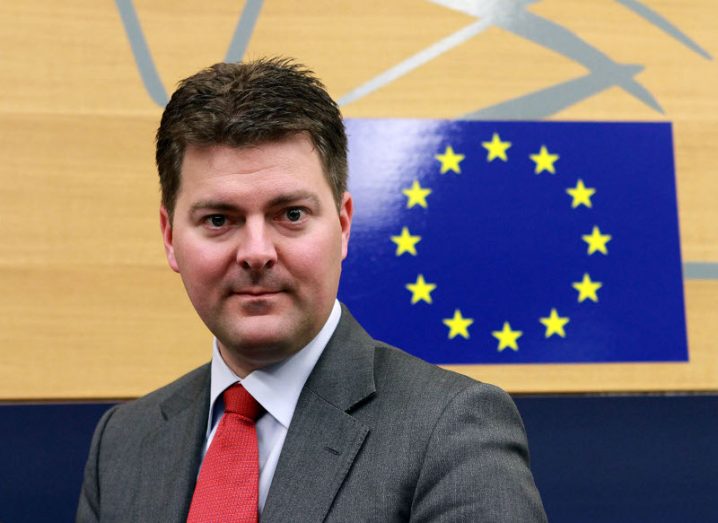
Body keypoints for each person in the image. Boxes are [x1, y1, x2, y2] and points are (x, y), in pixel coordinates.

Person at [77, 57, 547, 522]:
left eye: (291, 215)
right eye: (219, 220)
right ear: (170, 237)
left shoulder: (452, 430)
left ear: (343, 226)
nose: (256, 252)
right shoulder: (122, 443)